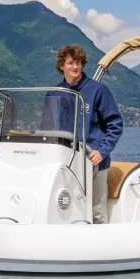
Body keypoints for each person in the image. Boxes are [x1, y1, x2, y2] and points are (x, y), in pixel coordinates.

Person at [54, 44, 123, 224]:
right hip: (65, 161)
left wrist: (102, 151)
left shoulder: (98, 90)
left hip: (93, 160)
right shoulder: (55, 93)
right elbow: (49, 126)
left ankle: (102, 249)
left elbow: (115, 124)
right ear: (62, 66)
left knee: (97, 212)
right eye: (70, 63)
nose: (75, 67)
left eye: (78, 62)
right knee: (65, 208)